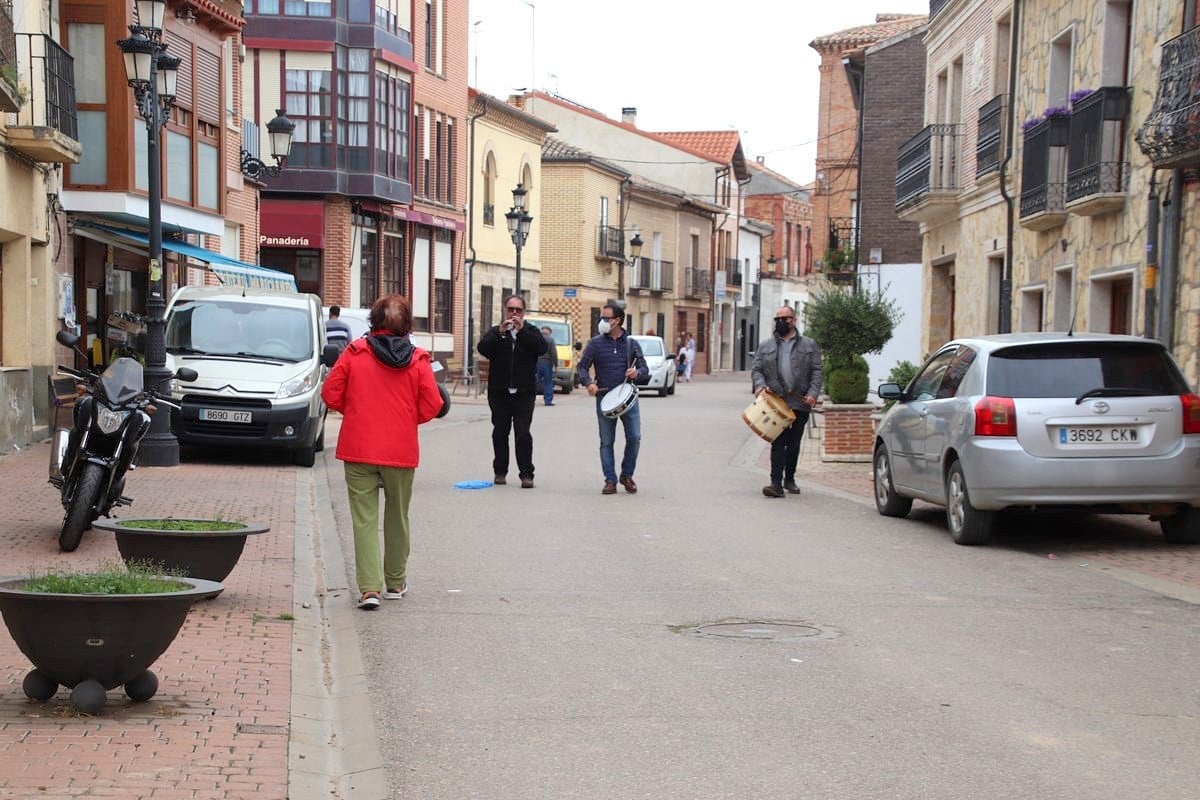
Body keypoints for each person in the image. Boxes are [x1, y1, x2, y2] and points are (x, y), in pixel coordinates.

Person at [321, 294, 448, 610]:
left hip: (359, 447)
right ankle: (395, 581)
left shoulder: (354, 353)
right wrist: (406, 419)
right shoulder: (418, 360)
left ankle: (368, 589)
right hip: (400, 450)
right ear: (407, 325)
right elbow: (433, 404)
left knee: (364, 519)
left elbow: (330, 393)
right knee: (397, 516)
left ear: (373, 322)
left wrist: (355, 411)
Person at [750, 306, 823, 499]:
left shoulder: (809, 345)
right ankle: (775, 483)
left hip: (800, 401)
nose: (781, 322)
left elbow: (817, 371)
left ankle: (789, 478)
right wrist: (759, 386)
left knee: (794, 443)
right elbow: (757, 369)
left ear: (794, 320)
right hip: (776, 401)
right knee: (777, 441)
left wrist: (813, 393)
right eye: (778, 319)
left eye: (786, 319)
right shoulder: (765, 346)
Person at [577, 302, 649, 495]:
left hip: (628, 399)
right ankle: (610, 480)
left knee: (634, 438)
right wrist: (589, 383)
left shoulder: (631, 344)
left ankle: (627, 474)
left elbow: (645, 369)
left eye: (606, 318)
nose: (602, 321)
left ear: (617, 320)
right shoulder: (595, 343)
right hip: (604, 397)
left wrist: (637, 372)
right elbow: (582, 367)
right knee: (606, 442)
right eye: (602, 318)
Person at [477, 295, 548, 488]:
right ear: (504, 311)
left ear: (524, 312)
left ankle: (526, 474)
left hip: (524, 392)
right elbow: (483, 348)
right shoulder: (496, 332)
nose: (514, 313)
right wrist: (500, 333)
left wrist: (522, 331)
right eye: (510, 309)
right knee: (500, 432)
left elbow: (541, 348)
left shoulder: (530, 331)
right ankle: (500, 471)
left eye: (518, 310)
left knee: (523, 433)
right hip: (499, 392)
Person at [536, 326, 558, 406]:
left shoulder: (536, 338)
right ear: (549, 332)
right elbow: (554, 353)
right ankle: (548, 401)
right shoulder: (550, 340)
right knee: (548, 382)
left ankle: (530, 399)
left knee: (534, 381)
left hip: (536, 363)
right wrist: (556, 364)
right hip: (547, 364)